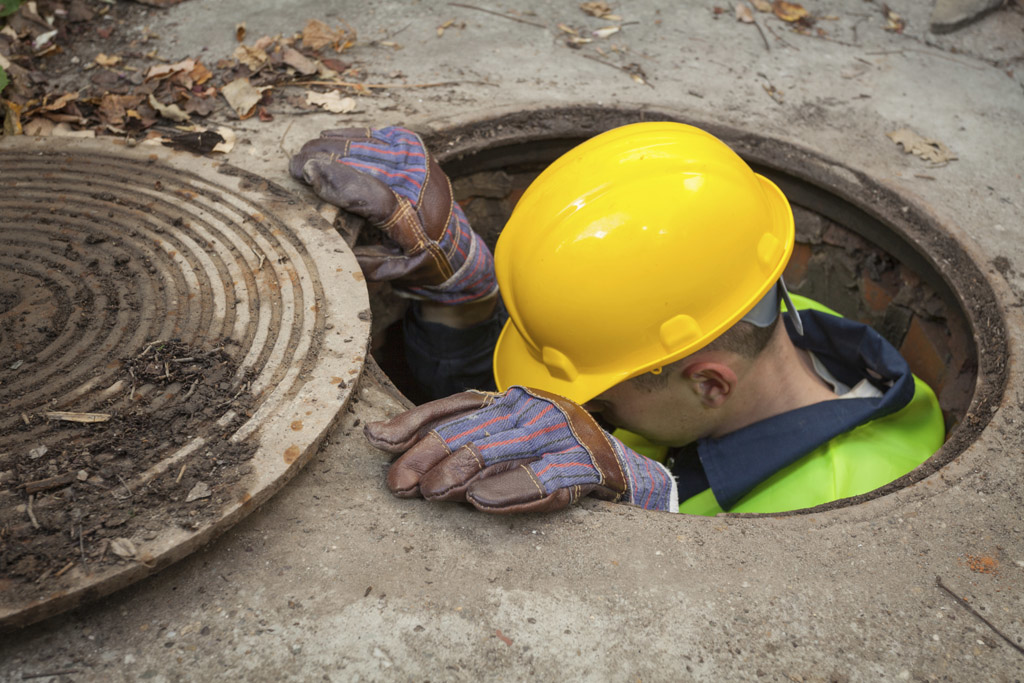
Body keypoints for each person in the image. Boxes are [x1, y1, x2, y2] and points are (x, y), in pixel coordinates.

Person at [290, 122, 945, 516]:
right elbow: (506, 426)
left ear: (710, 382)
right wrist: (462, 306)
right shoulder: (740, 314)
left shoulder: (831, 505)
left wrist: (651, 510)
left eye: (600, 392)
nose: (589, 407)